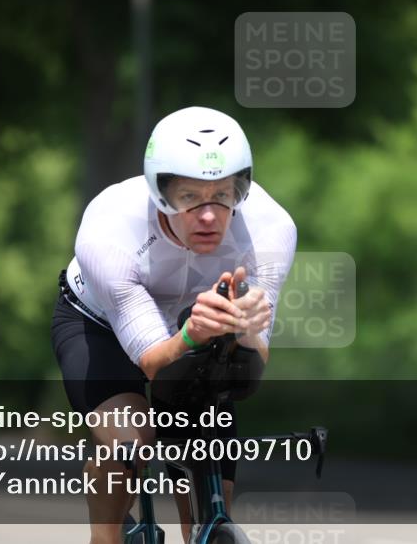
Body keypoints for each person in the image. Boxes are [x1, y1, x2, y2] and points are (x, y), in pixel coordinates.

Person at [50, 106, 297, 544]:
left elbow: (253, 367)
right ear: (160, 191)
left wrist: (244, 331)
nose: (208, 215)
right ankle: (104, 537)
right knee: (130, 441)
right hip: (101, 322)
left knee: (213, 488)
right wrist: (190, 335)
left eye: (223, 195)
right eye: (190, 197)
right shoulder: (109, 230)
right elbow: (151, 362)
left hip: (199, 327)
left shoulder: (270, 229)